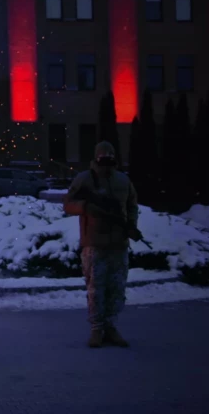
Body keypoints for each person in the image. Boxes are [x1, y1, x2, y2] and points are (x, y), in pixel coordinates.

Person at [63, 141, 141, 348]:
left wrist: (131, 226)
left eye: (110, 158)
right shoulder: (85, 180)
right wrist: (86, 207)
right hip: (94, 243)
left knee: (116, 288)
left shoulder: (123, 181)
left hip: (119, 244)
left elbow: (132, 206)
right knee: (95, 289)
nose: (106, 162)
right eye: (103, 158)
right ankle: (97, 329)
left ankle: (111, 327)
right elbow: (68, 204)